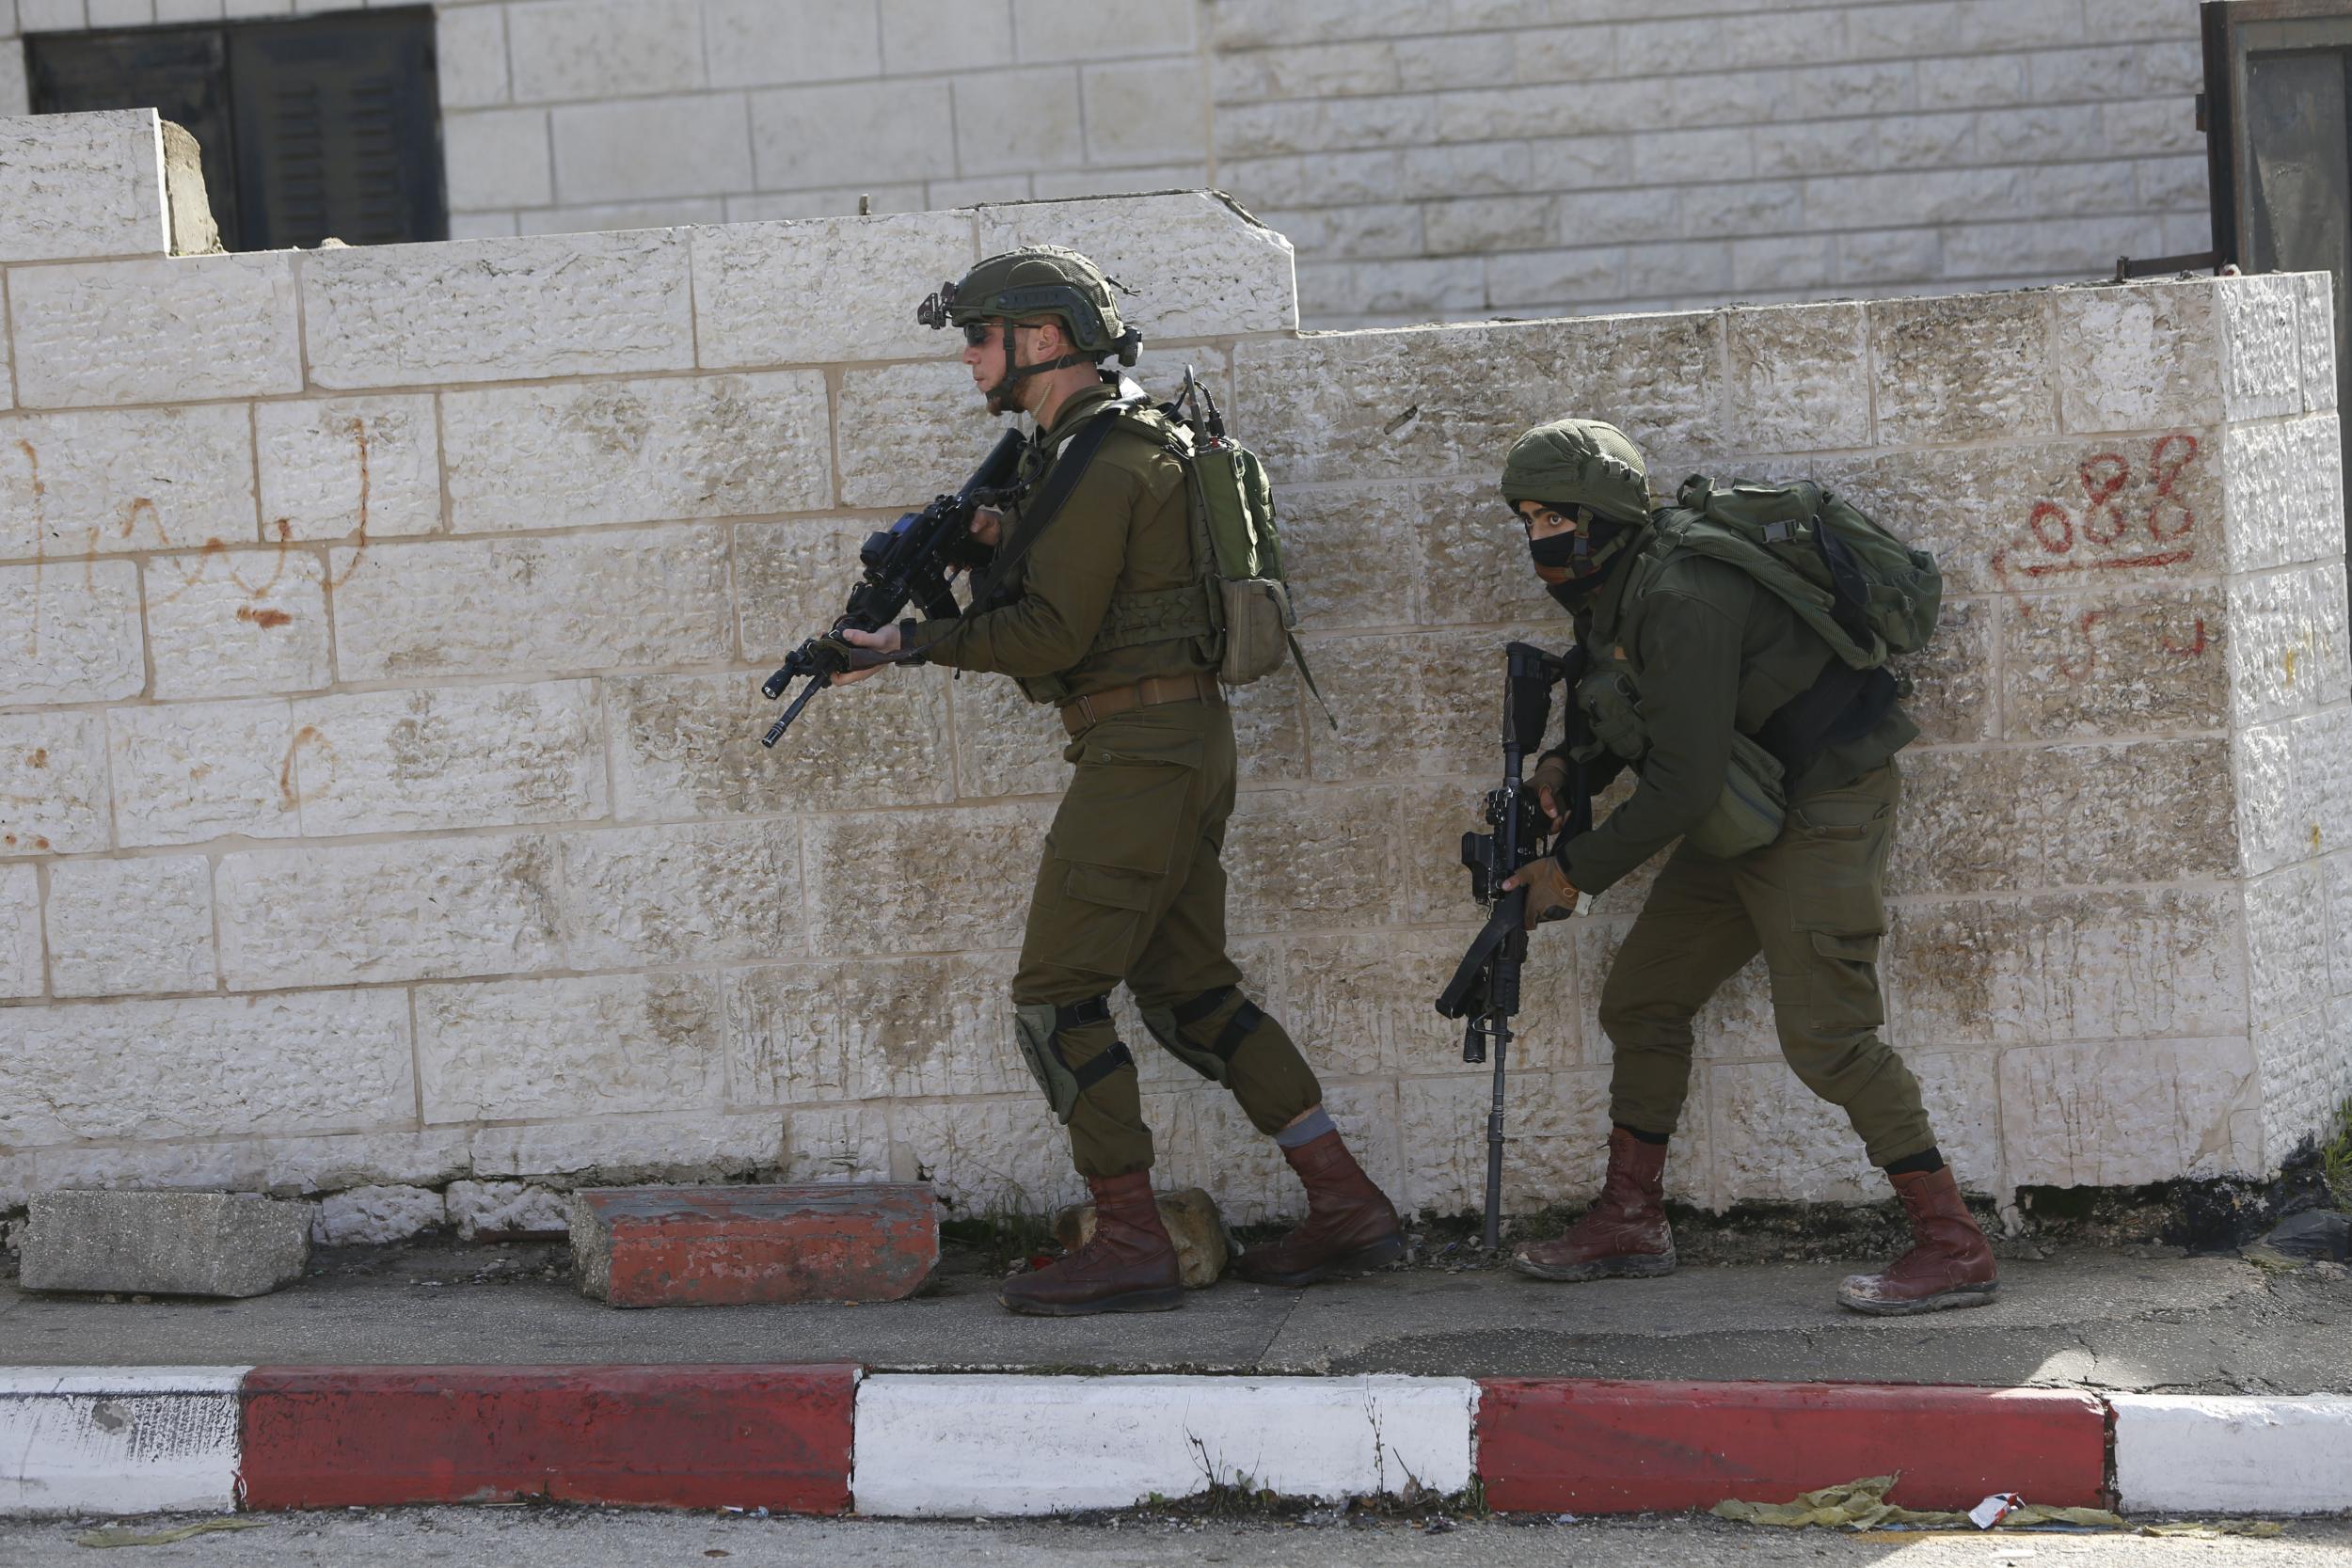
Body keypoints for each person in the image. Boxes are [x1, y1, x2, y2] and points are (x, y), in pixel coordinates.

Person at [830, 246, 1402, 1316]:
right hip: (1166, 743)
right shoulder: (1087, 451)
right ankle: (1346, 1200)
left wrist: (910, 644)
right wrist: (987, 543)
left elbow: (1050, 633)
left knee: (1057, 998)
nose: (967, 359)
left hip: (1144, 751)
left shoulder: (1102, 455)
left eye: (979, 336)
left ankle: (1131, 1236)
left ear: (1041, 339)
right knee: (1193, 994)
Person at [1493, 418, 1996, 1316]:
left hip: (1820, 805)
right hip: (1744, 800)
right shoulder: (1618, 589)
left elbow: (1681, 783)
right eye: (1528, 519)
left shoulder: (1682, 592)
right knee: (1642, 999)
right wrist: (1572, 768)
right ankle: (1631, 1219)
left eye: (1553, 517)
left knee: (1828, 1038)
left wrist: (1572, 874)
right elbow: (1642, 715)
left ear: (1602, 514)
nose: (1542, 538)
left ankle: (1952, 1243)